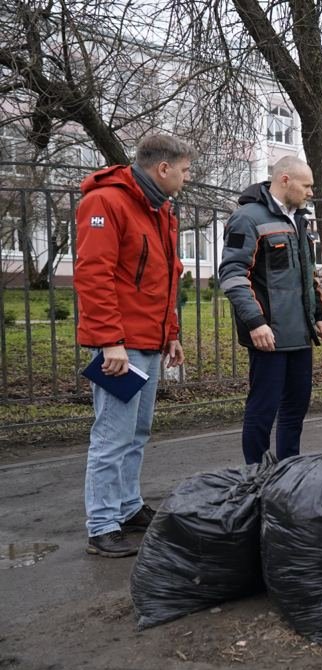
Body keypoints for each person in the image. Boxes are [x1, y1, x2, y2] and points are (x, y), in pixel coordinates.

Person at [74, 133, 192, 558]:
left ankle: (126, 506)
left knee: (136, 431)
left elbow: (166, 276)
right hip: (121, 345)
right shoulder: (105, 202)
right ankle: (102, 523)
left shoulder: (159, 210)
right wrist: (110, 342)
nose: (186, 177)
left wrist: (171, 333)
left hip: (147, 341)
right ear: (163, 169)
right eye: (184, 170)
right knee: (112, 434)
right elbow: (94, 275)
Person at [218, 156, 322, 465]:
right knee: (263, 408)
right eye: (306, 185)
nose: (310, 192)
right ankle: (255, 475)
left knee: (296, 407)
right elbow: (233, 275)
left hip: (299, 334)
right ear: (284, 180)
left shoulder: (299, 220)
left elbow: (308, 274)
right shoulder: (248, 218)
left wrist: (319, 315)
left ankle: (288, 469)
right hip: (268, 336)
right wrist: (256, 322)